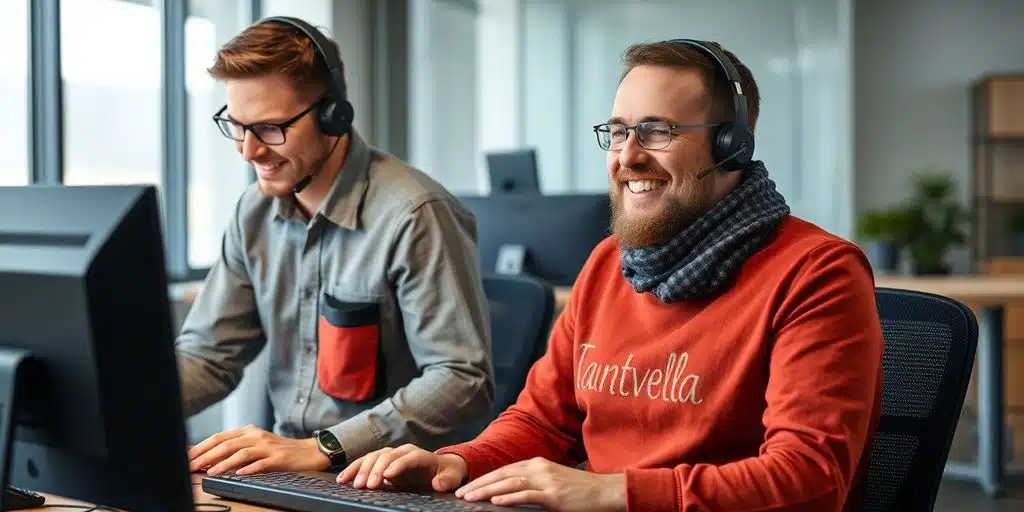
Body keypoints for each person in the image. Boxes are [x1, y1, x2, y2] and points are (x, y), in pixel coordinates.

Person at [337, 39, 884, 512]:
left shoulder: (817, 273)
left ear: (730, 147)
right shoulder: (608, 263)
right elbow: (542, 422)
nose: (628, 156)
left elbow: (809, 482)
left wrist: (613, 493)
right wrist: (455, 462)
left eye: (656, 132)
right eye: (618, 132)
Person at [177, 16, 494, 478]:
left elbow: (463, 379)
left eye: (268, 128)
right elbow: (209, 355)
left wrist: (323, 447)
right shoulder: (253, 214)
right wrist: (120, 405)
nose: (248, 152)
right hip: (290, 473)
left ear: (333, 115)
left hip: (395, 480)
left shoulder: (414, 214)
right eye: (237, 127)